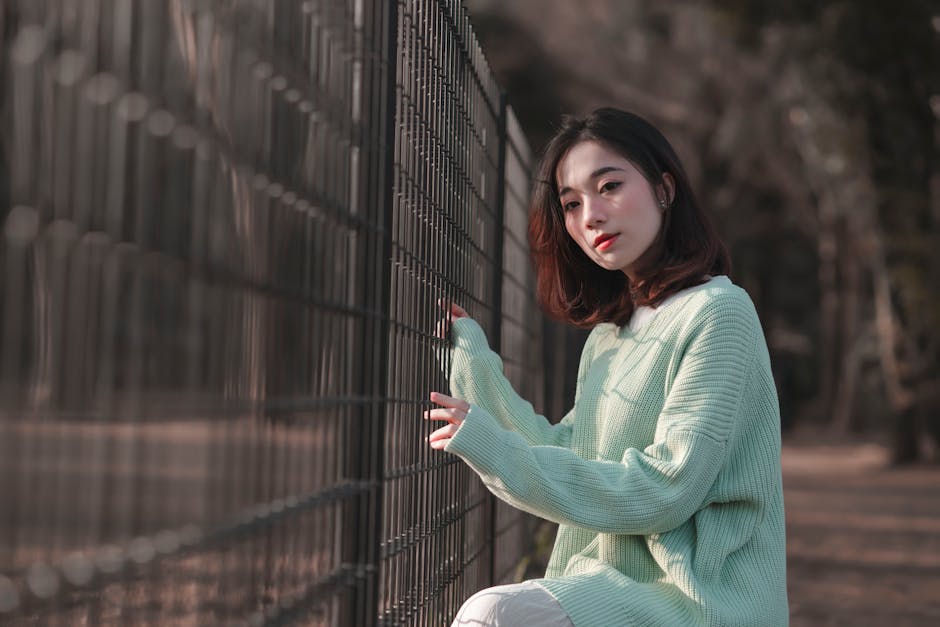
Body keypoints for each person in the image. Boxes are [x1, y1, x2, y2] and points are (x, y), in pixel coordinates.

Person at [425, 107, 788, 626]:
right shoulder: (608, 338)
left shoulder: (719, 313)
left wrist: (501, 453)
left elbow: (667, 489)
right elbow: (569, 452)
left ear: (664, 189)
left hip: (700, 598)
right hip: (607, 583)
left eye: (609, 186)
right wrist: (470, 363)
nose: (590, 216)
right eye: (571, 204)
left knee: (494, 614)